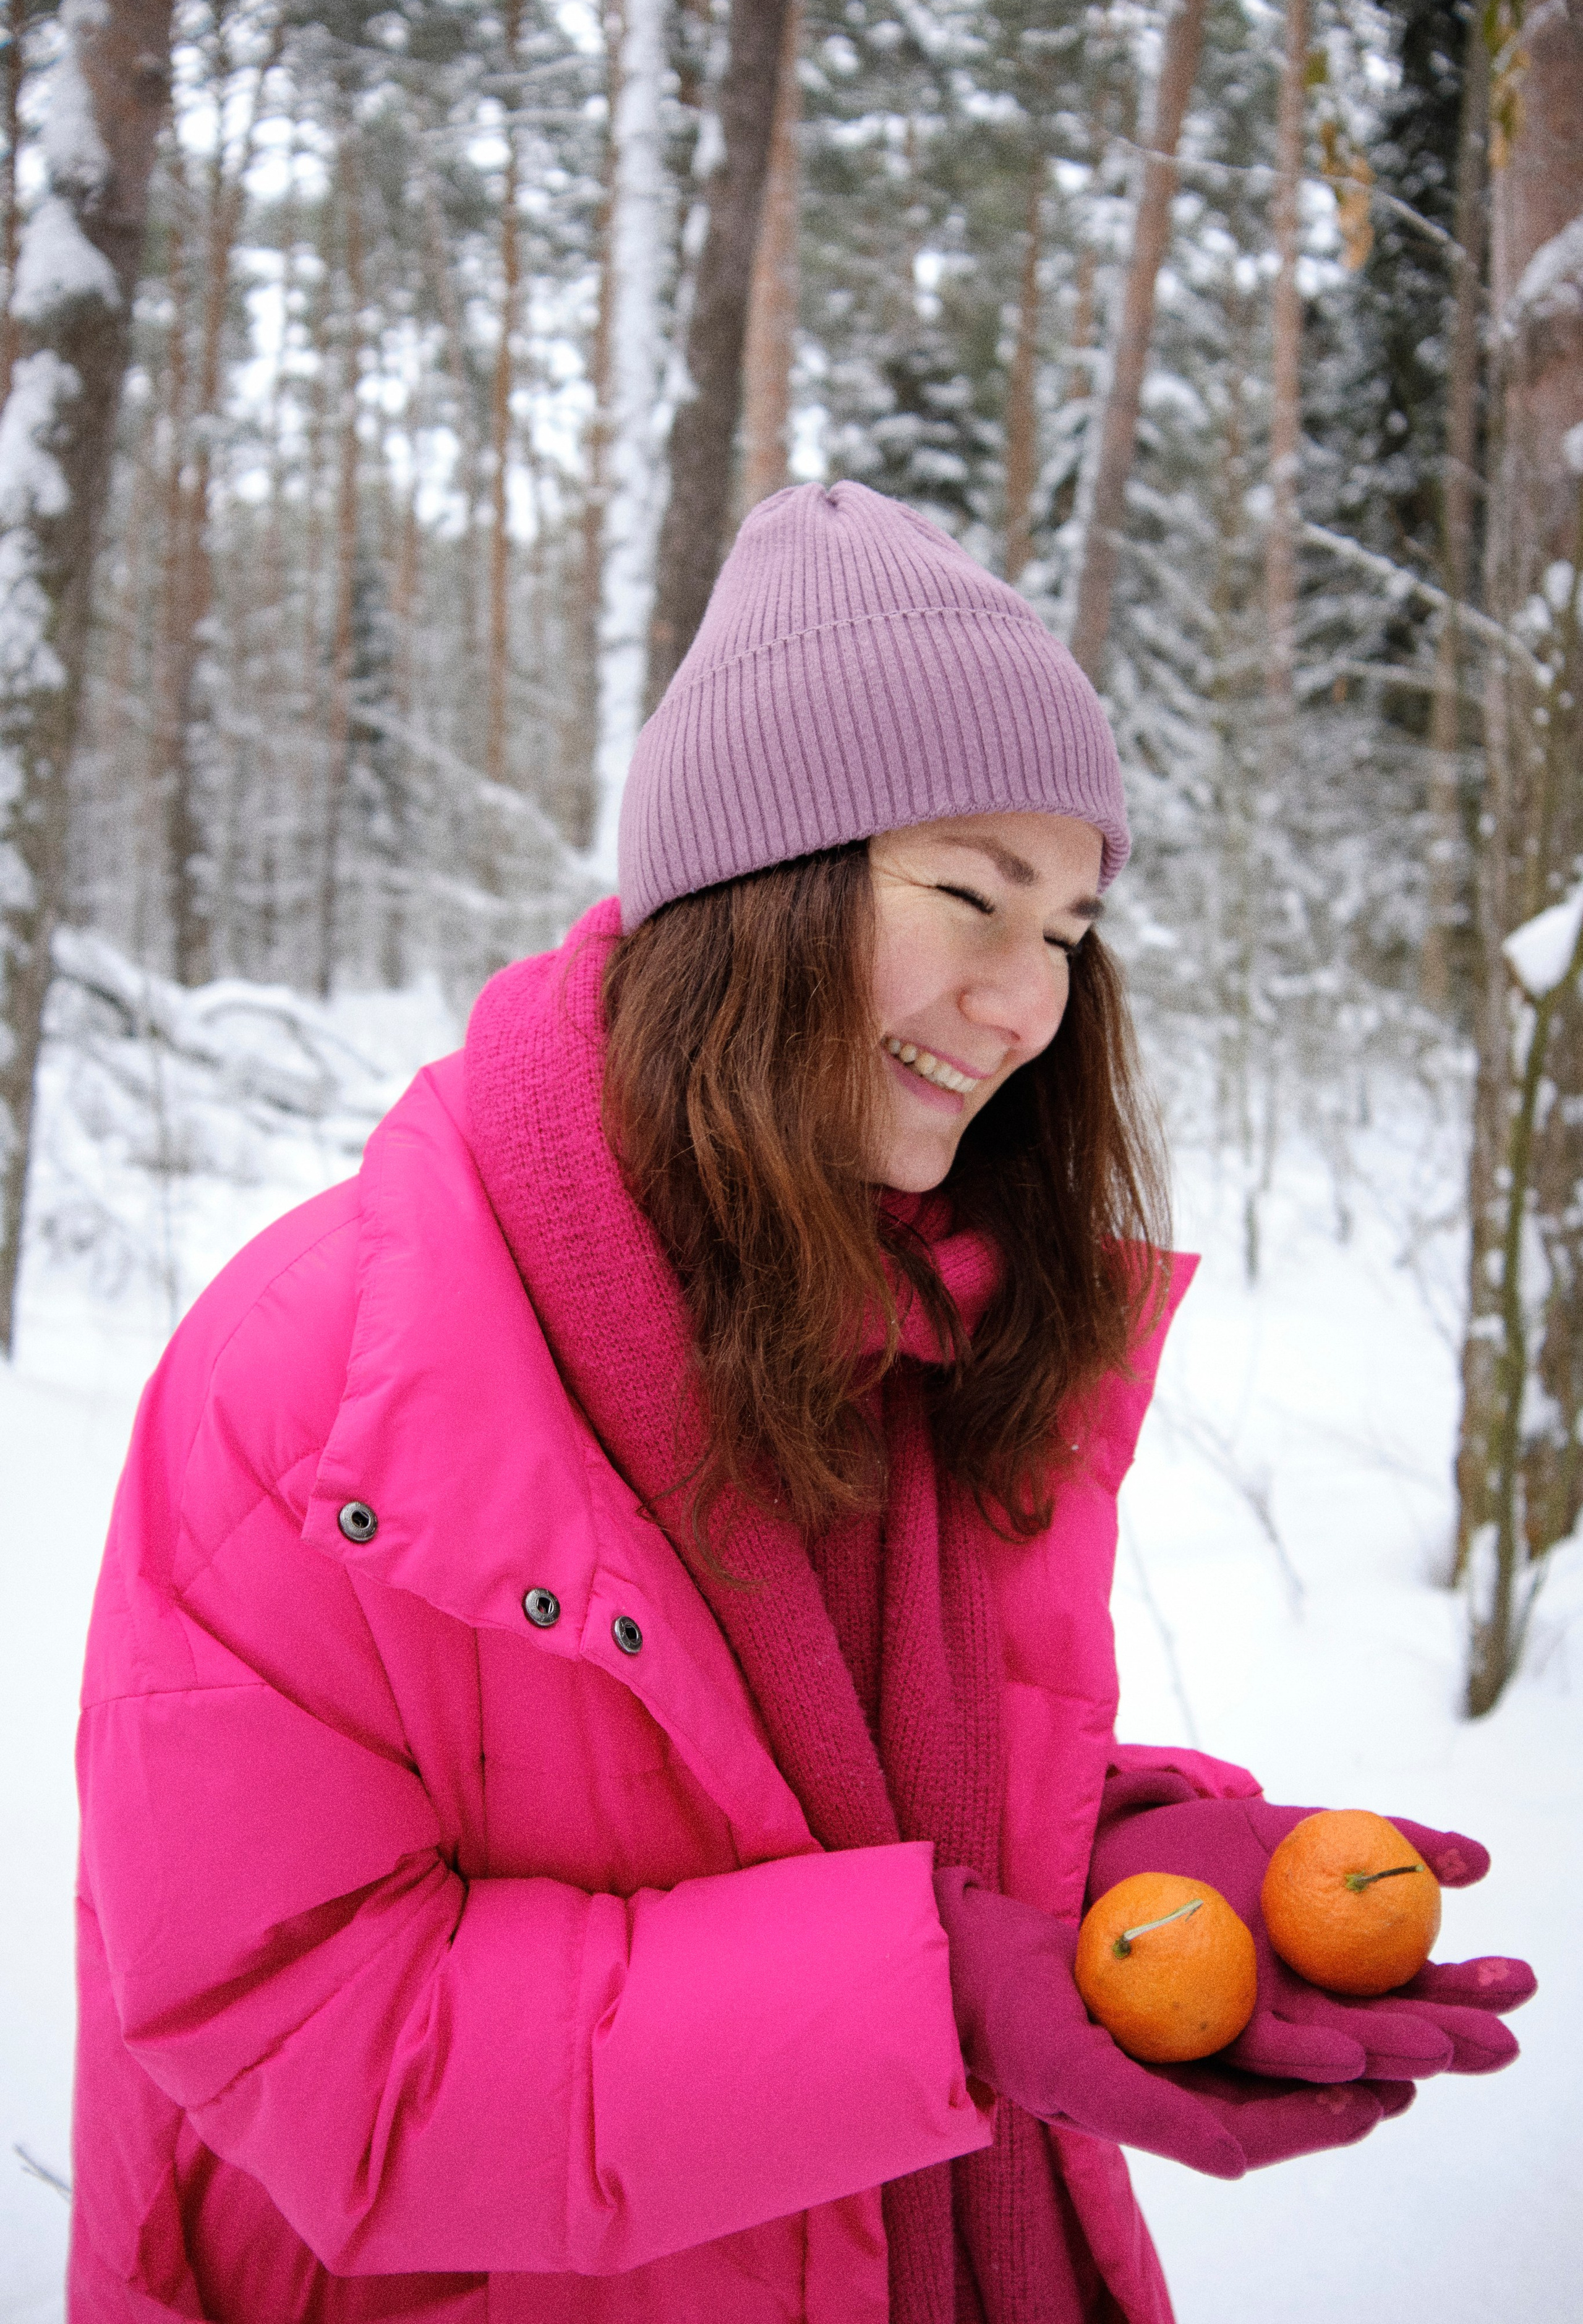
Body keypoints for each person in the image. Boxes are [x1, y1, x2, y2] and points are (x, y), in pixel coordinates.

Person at [69, 482, 1533, 2323]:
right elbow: (304, 2038)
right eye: (969, 895)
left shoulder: (921, 1311)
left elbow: (797, 1802)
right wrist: (927, 1989)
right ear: (754, 893)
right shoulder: (317, 1382)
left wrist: (1110, 1860)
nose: (1026, 1005)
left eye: (1073, 929)